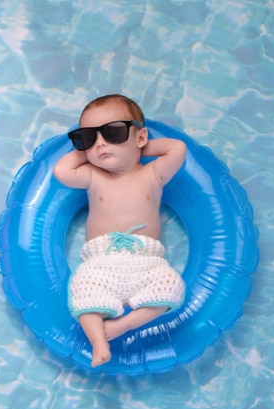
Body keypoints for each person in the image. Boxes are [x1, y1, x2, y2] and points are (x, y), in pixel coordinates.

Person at [53, 94, 186, 367]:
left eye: (113, 133)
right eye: (88, 137)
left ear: (140, 137)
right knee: (83, 290)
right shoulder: (93, 176)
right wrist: (91, 151)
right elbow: (61, 170)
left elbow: (178, 148)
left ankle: (122, 326)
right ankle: (98, 341)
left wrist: (140, 148)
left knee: (171, 288)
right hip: (101, 260)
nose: (101, 143)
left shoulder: (153, 174)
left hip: (146, 260)